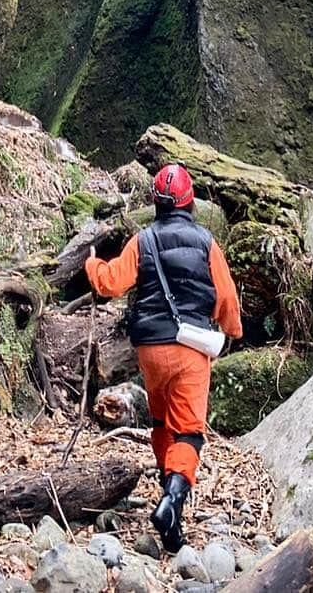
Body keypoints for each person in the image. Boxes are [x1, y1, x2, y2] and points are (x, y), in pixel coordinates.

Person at [84, 163, 243, 553]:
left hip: (151, 351)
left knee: (161, 421)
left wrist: (90, 262)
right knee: (188, 431)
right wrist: (233, 332)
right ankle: (172, 502)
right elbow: (226, 300)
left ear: (156, 202)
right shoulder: (207, 242)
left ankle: (165, 489)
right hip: (191, 349)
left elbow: (110, 283)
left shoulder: (143, 240)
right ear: (190, 202)